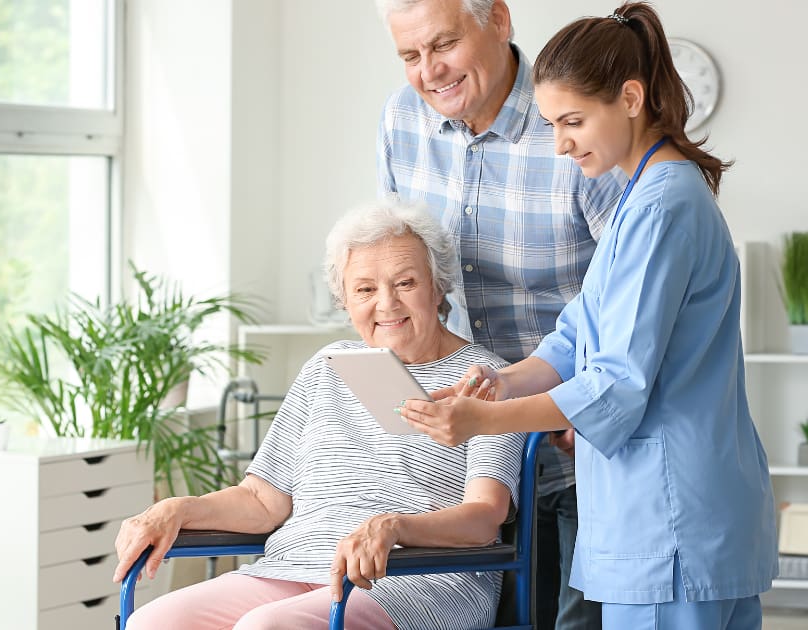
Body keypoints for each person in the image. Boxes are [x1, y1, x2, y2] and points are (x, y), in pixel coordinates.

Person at [398, 3, 778, 628]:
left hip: (668, 522)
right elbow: (578, 333)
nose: (562, 143)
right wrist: (503, 381)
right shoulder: (645, 198)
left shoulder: (662, 208)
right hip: (687, 519)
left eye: (573, 121)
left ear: (630, 99)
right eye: (550, 124)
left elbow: (613, 384)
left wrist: (486, 419)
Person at [113, 200, 526, 630]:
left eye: (405, 283)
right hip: (291, 567)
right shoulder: (328, 366)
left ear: (438, 287)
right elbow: (261, 500)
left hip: (418, 580)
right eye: (365, 289)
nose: (386, 304)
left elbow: (483, 518)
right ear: (344, 299)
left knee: (266, 627)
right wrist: (177, 509)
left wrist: (394, 528)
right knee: (152, 622)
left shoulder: (484, 380)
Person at [373, 1, 626, 627]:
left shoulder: (572, 125)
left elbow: (626, 293)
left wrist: (578, 405)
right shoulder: (403, 120)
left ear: (500, 21)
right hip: (464, 456)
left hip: (572, 443)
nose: (430, 71)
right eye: (410, 55)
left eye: (444, 44)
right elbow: (401, 271)